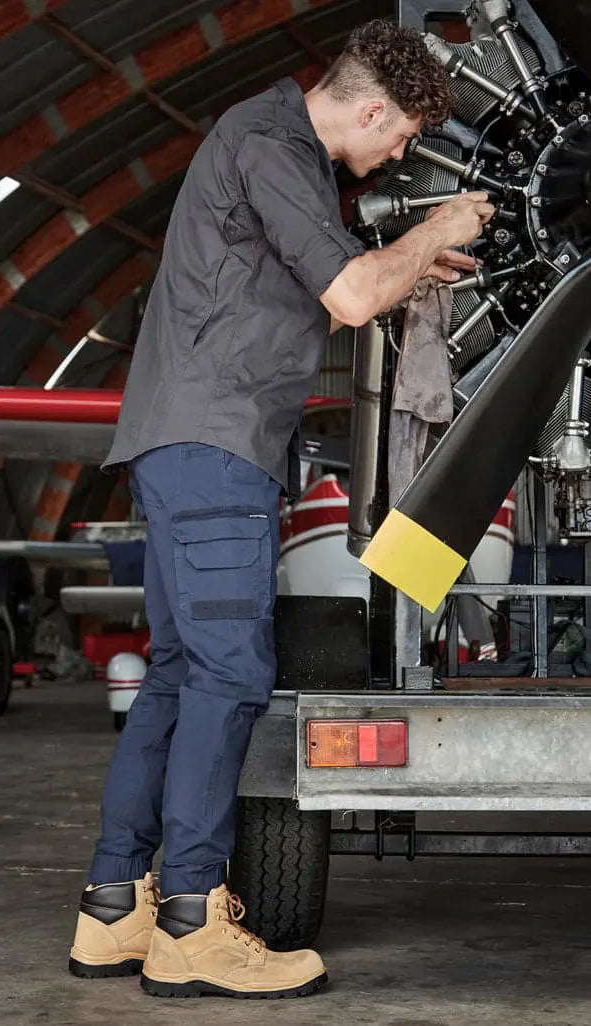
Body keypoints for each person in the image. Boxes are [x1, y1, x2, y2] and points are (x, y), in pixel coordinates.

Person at [68, 18, 495, 999]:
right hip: (214, 449)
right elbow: (348, 295)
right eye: (401, 137)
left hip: (188, 446)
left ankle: (112, 908)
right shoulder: (273, 144)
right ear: (372, 110)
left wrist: (409, 265)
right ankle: (190, 920)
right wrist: (434, 228)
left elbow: (336, 279)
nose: (395, 157)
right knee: (230, 676)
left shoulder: (269, 146)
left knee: (178, 674)